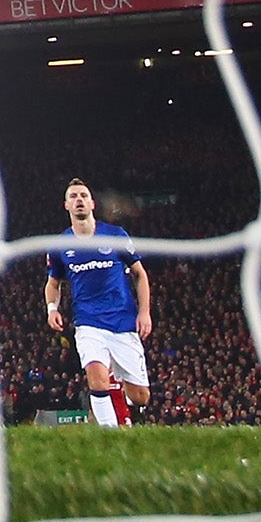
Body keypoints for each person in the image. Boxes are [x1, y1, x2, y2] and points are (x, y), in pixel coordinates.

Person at [44, 178, 153, 426]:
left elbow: (140, 274)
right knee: (97, 378)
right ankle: (109, 434)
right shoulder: (61, 245)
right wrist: (52, 309)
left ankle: (132, 416)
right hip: (88, 321)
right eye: (73, 196)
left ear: (92, 203)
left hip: (123, 321)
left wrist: (144, 313)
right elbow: (53, 284)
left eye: (83, 195)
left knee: (141, 396)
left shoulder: (115, 235)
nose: (79, 200)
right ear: (66, 205)